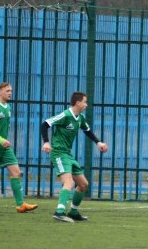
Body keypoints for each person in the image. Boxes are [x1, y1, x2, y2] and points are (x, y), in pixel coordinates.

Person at [40, 91, 108, 222]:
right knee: (69, 182)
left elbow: (87, 130)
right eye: (85, 102)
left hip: (68, 155)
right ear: (78, 103)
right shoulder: (65, 115)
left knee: (83, 184)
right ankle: (59, 212)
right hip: (59, 153)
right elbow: (45, 124)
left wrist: (98, 142)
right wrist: (46, 142)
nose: (86, 105)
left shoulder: (80, 118)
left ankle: (73, 212)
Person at [0, 83, 38, 213]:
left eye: (11, 90)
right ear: (0, 92)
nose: (10, 93)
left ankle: (21, 205)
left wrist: (4, 140)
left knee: (16, 172)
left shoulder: (8, 107)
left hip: (4, 147)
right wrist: (0, 139)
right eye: (7, 90)